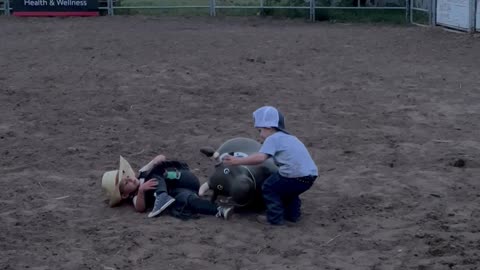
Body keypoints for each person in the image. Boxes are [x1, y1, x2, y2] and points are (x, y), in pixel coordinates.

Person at [222, 106, 317, 225]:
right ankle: (293, 215)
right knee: (290, 192)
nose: (260, 135)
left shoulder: (272, 139)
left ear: (269, 127)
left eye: (260, 130)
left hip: (293, 174)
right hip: (309, 176)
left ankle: (274, 218)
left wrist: (237, 161)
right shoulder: (290, 138)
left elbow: (260, 158)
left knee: (269, 187)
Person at [101, 155, 233, 220]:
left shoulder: (143, 173)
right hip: (181, 191)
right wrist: (141, 191)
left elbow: (158, 160)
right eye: (126, 183)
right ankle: (219, 209)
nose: (130, 179)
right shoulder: (134, 197)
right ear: (124, 195)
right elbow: (139, 207)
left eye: (127, 176)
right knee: (186, 200)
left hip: (182, 178)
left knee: (155, 171)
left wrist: (156, 160)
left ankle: (161, 196)